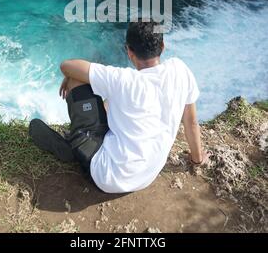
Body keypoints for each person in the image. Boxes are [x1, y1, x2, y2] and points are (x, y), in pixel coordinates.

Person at [29, 20, 206, 194]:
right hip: (146, 177)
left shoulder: (122, 79)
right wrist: (197, 160)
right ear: (163, 46)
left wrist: (69, 76)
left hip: (107, 176)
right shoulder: (180, 70)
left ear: (129, 52)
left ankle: (75, 148)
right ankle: (83, 143)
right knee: (110, 101)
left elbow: (66, 66)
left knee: (77, 79)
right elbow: (191, 123)